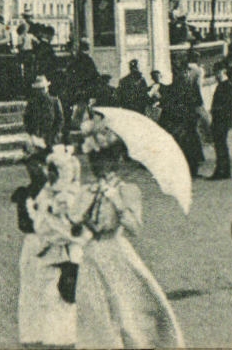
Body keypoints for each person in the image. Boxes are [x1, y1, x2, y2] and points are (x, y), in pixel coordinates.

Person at [69, 128, 184, 348]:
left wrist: (118, 203)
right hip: (92, 253)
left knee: (127, 309)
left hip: (117, 251)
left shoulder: (127, 190)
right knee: (95, 308)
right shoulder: (87, 191)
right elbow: (74, 230)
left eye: (101, 159)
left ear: (114, 161)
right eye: (93, 159)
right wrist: (79, 214)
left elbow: (135, 227)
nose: (95, 165)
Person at [16, 146, 85, 349]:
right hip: (42, 251)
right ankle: (39, 335)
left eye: (55, 170)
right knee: (38, 295)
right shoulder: (46, 194)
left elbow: (70, 229)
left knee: (59, 297)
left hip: (61, 253)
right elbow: (38, 224)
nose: (49, 174)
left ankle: (62, 339)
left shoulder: (68, 197)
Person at [158, 64, 209, 181]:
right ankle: (187, 171)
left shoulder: (189, 87)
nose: (184, 75)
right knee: (186, 147)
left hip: (188, 122)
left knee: (190, 146)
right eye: (182, 73)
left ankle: (191, 171)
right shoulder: (176, 88)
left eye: (185, 73)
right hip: (181, 122)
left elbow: (198, 103)